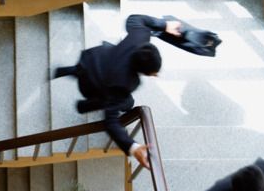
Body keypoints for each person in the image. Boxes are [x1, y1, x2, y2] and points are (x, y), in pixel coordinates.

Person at [54, 14, 183, 169]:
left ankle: (58, 71)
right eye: (153, 73)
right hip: (93, 82)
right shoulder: (125, 83)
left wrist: (164, 25)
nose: (155, 75)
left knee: (79, 70)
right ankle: (82, 105)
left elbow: (134, 19)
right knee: (127, 102)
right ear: (143, 72)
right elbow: (110, 121)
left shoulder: (140, 36)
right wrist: (133, 147)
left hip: (93, 59)